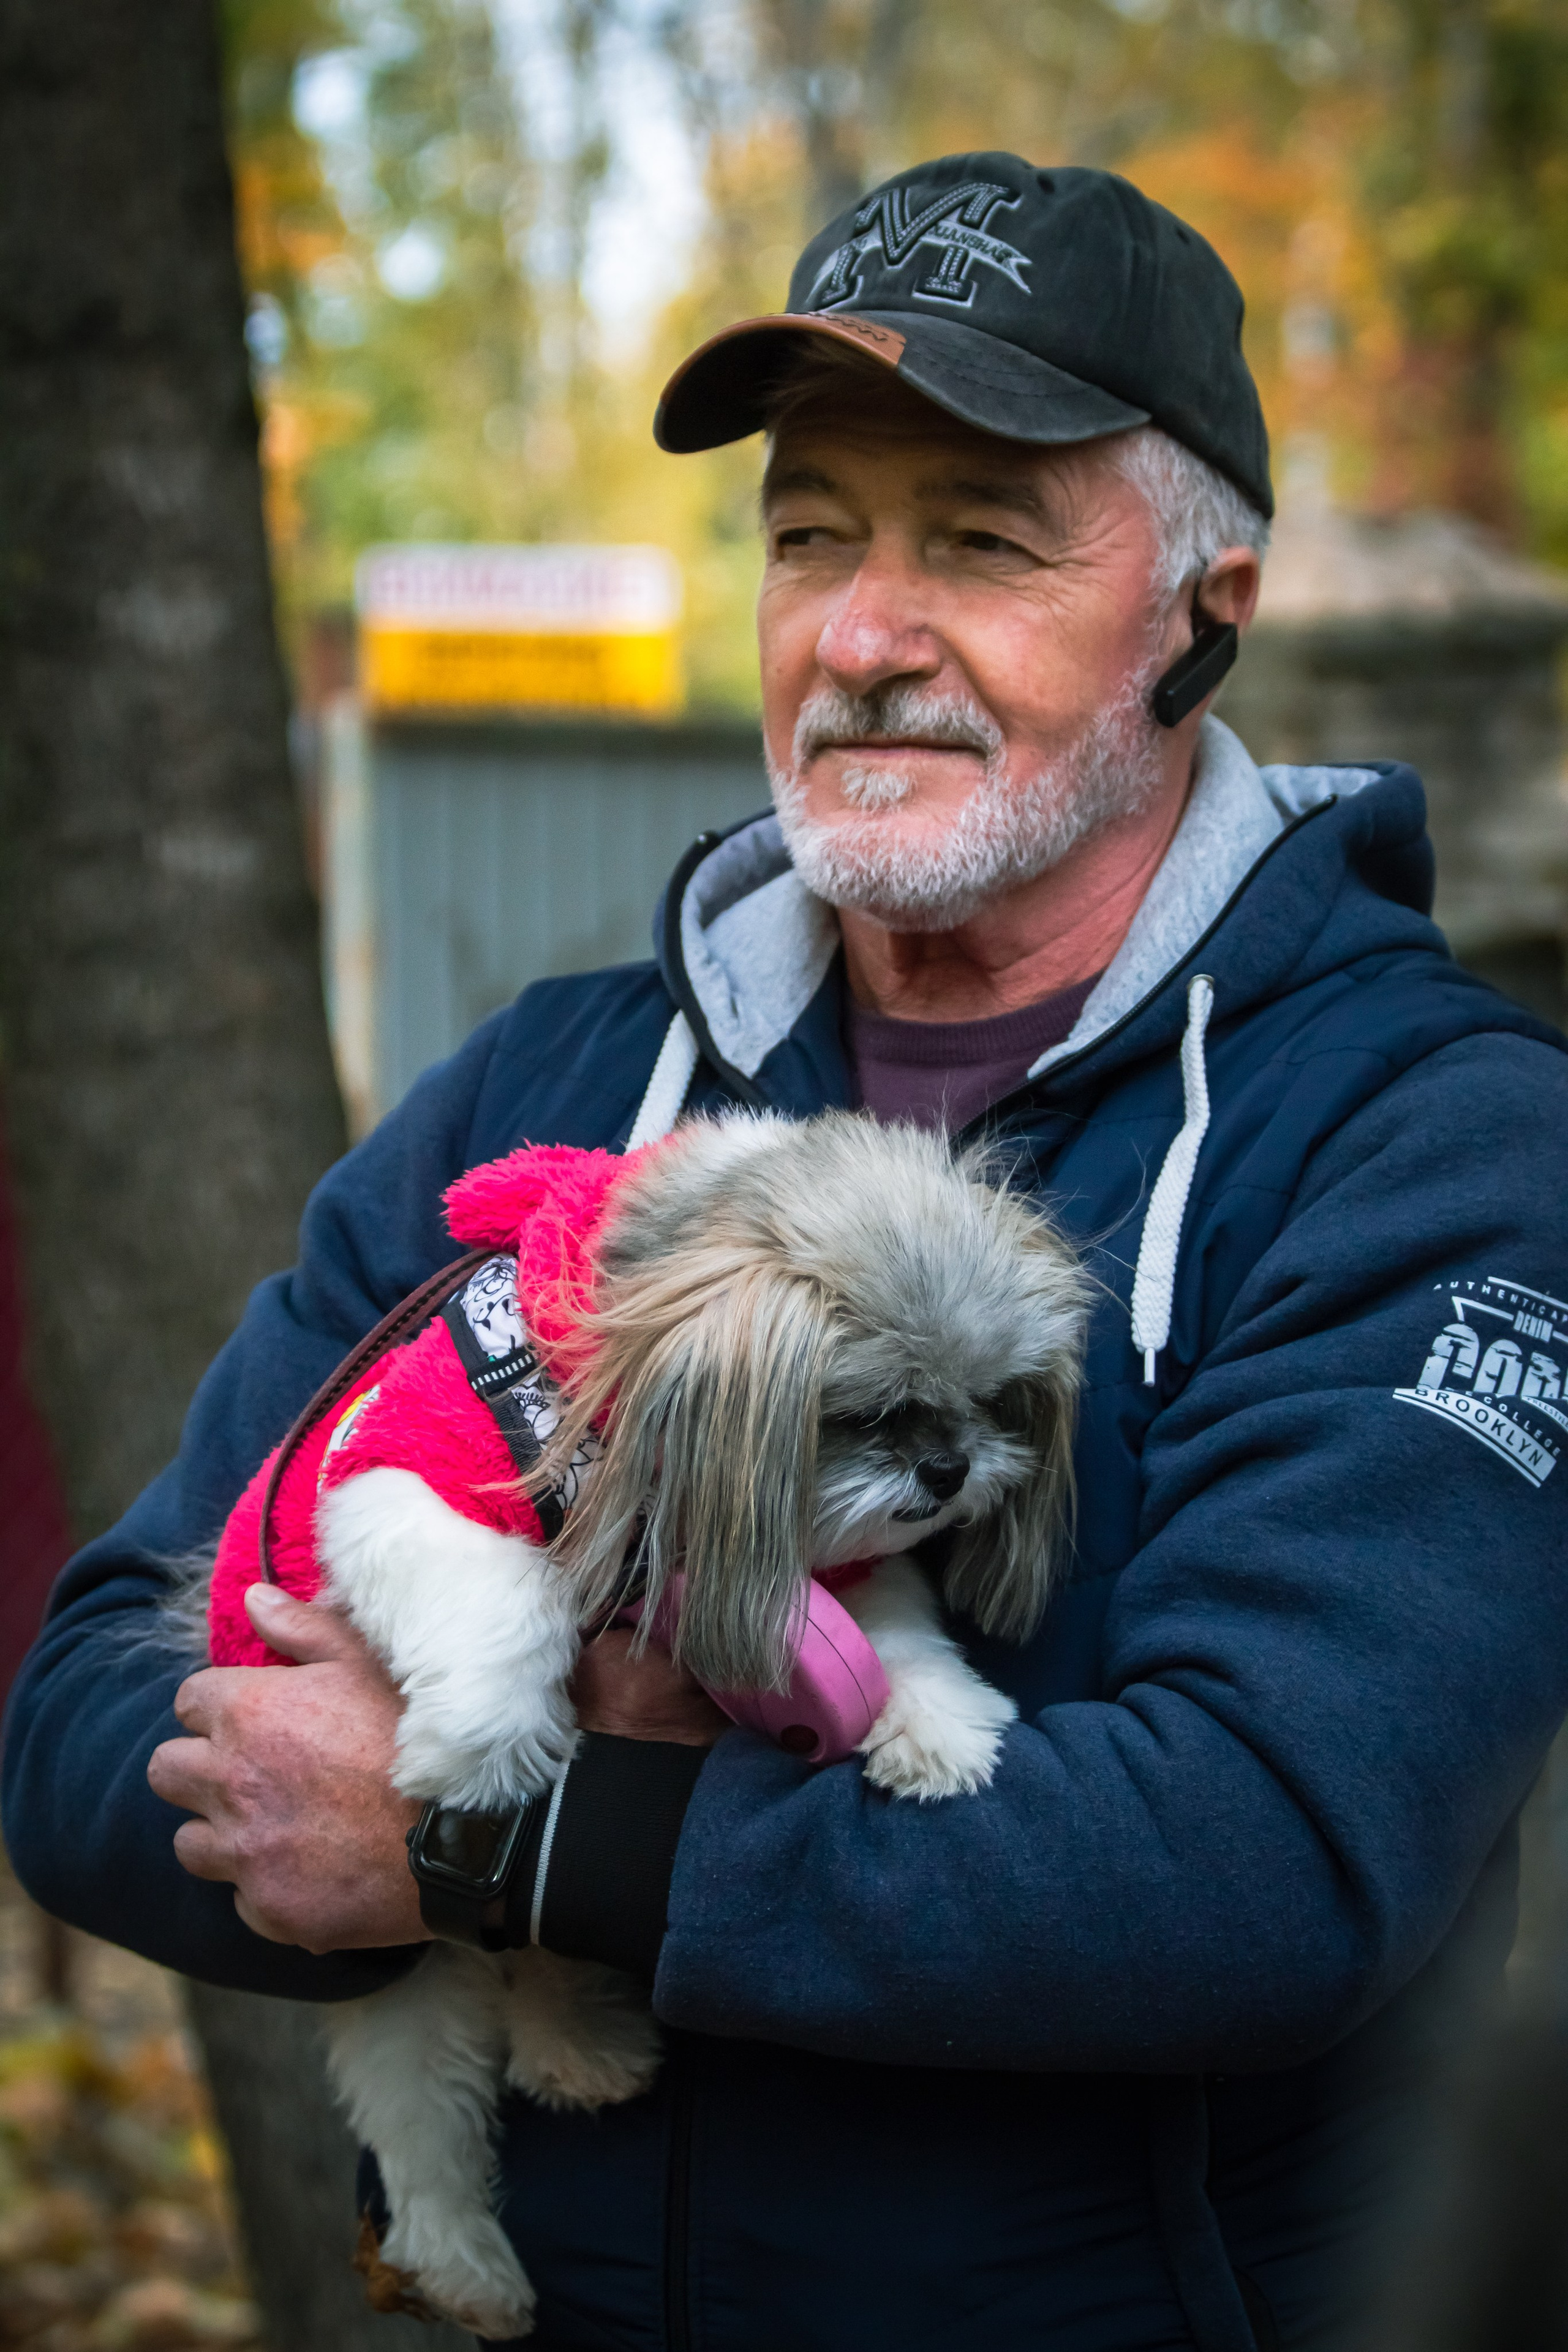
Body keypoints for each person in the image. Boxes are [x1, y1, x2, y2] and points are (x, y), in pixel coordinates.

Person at [6, 150, 1567, 2352]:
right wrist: (335, 1799)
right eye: (812, 530)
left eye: (982, 541)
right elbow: (88, 1713)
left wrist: (499, 1846)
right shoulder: (551, 1090)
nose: (860, 633)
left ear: (1203, 610)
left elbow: (1273, 1860)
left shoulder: (1433, 1134)